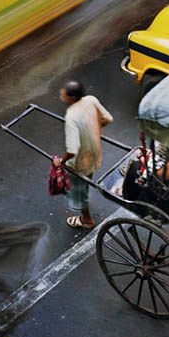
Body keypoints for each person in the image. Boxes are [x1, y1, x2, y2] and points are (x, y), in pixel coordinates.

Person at [58, 81, 113, 229]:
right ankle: (86, 192)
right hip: (95, 154)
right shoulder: (91, 99)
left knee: (79, 190)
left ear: (72, 98)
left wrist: (61, 162)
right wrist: (94, 128)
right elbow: (108, 118)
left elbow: (72, 150)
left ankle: (86, 220)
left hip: (80, 162)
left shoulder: (71, 117)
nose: (61, 94)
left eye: (64, 93)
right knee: (87, 180)